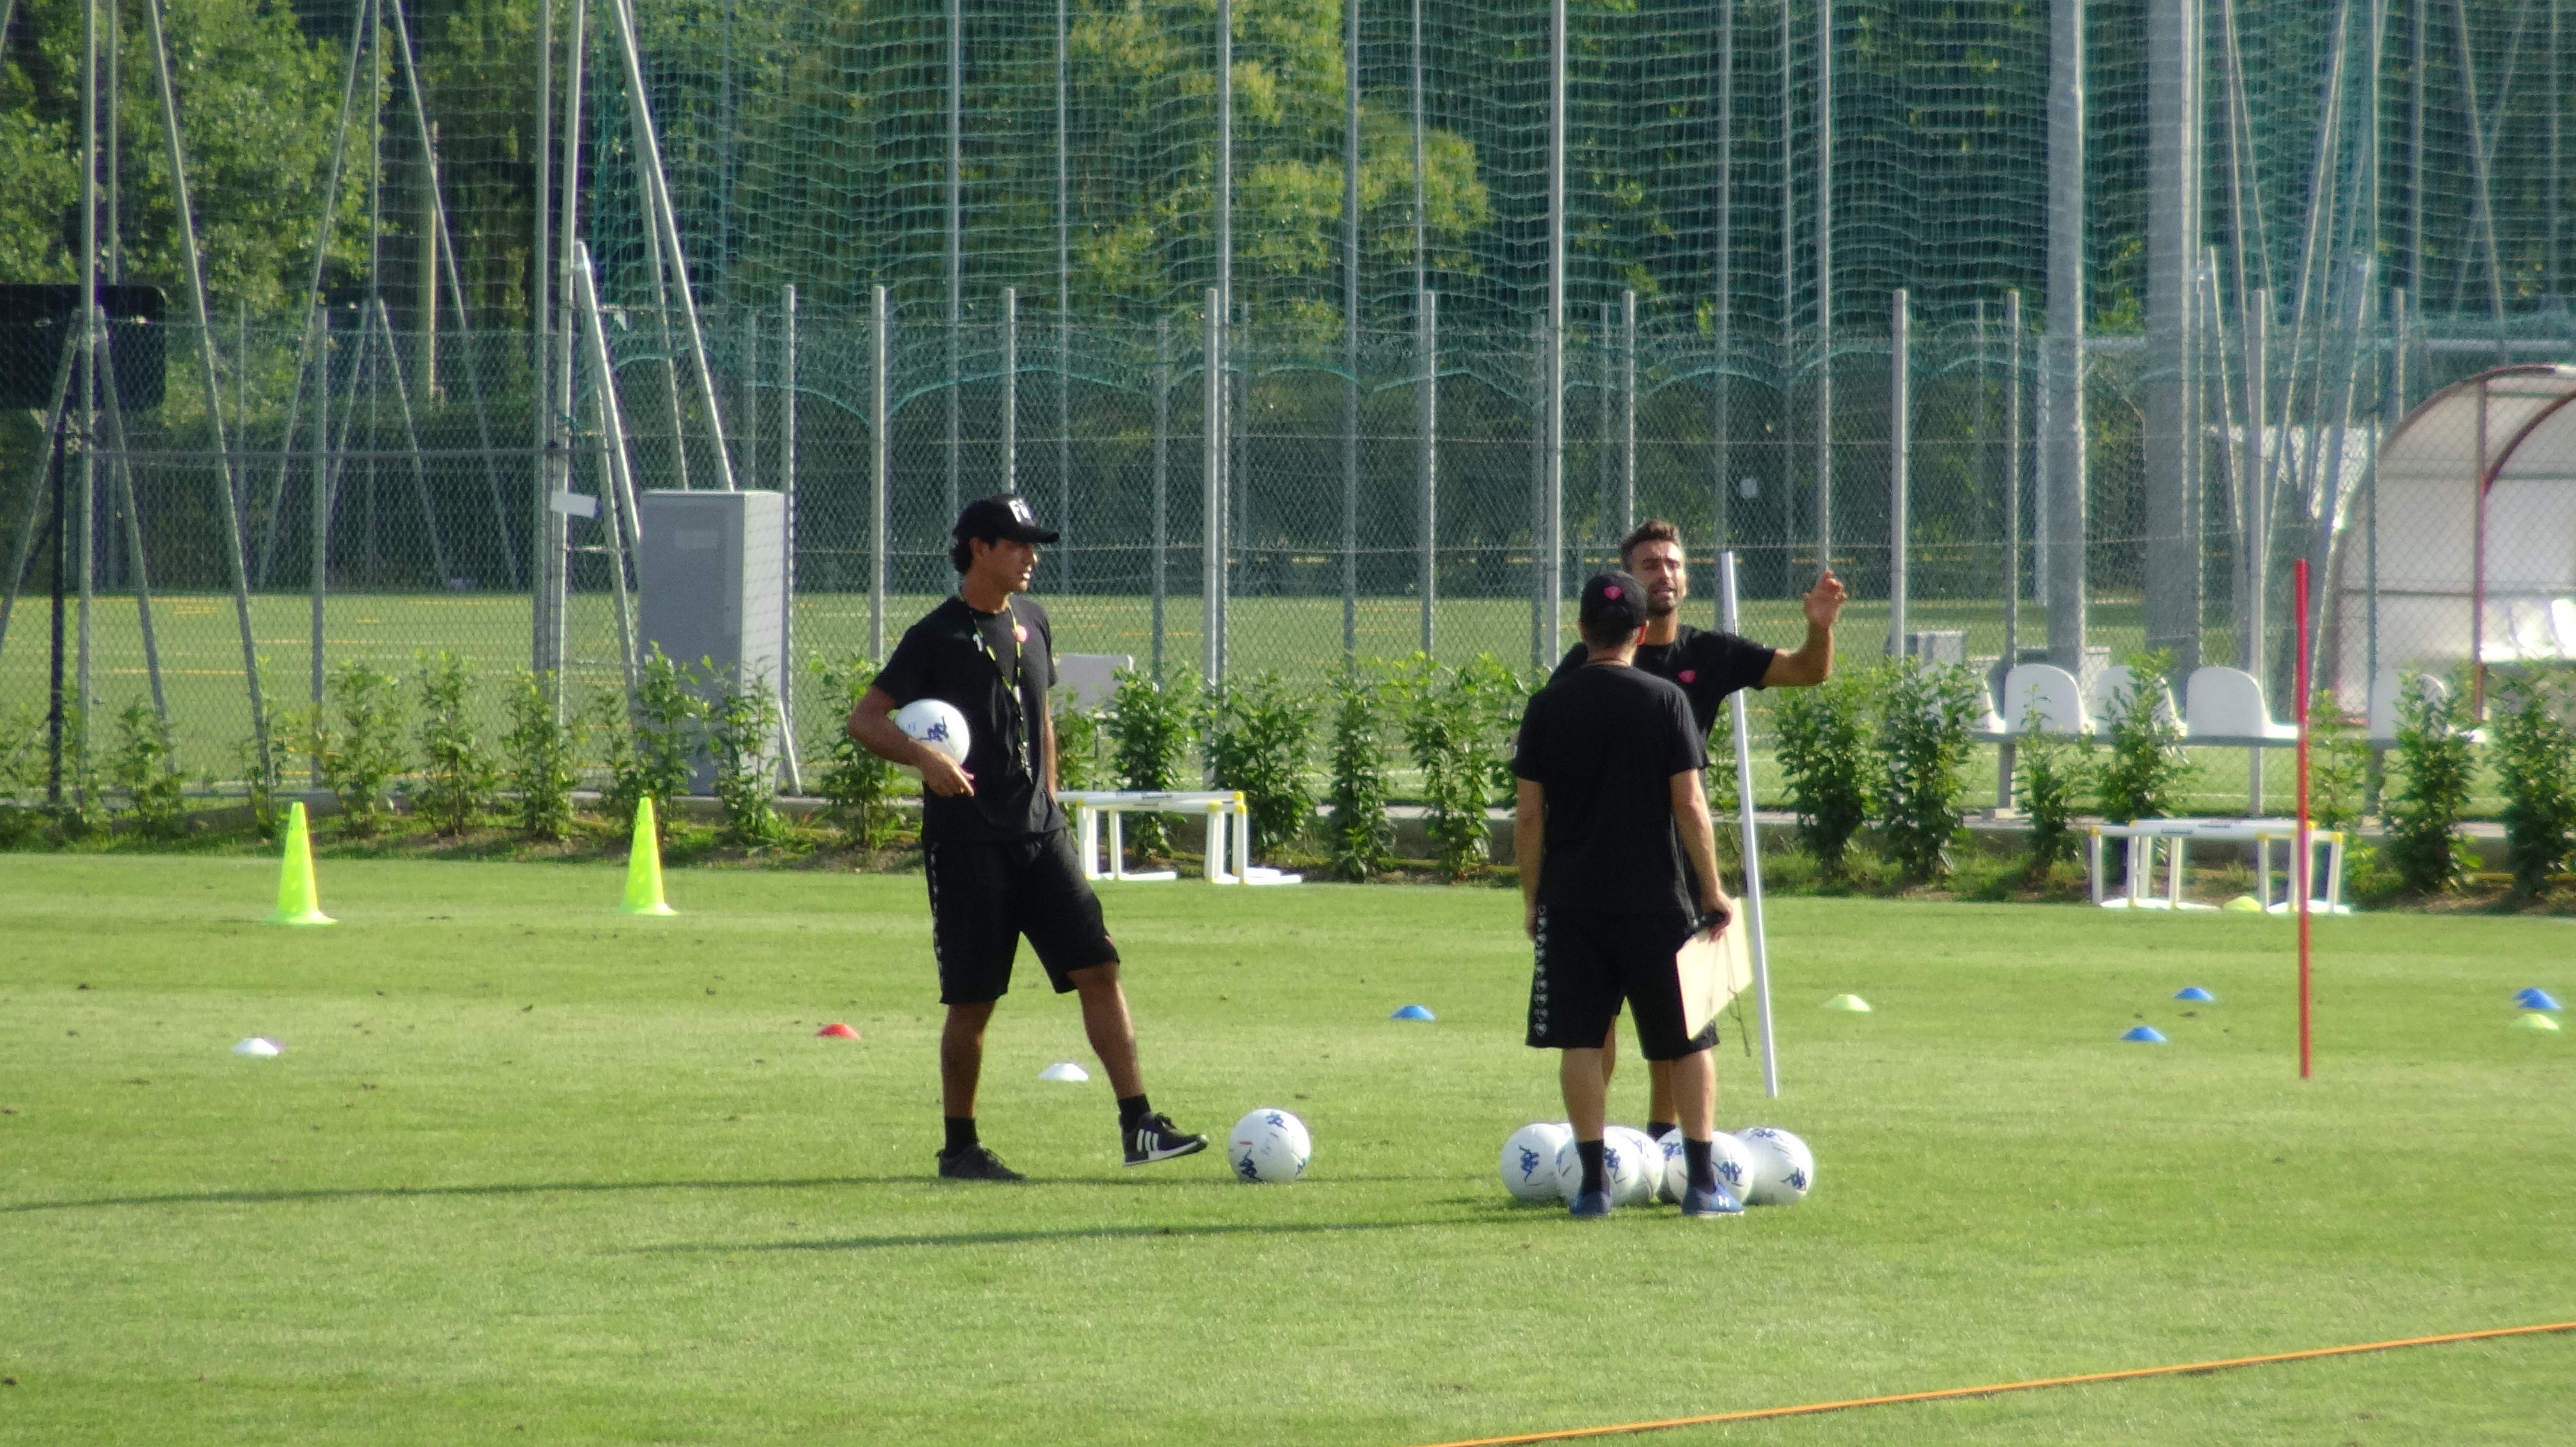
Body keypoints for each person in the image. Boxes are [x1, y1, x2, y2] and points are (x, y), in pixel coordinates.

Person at [848, 494, 1207, 1181]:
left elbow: (1040, 720)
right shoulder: (935, 636)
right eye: (1017, 544)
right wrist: (925, 759)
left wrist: (1051, 799)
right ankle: (960, 1148)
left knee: (1099, 968)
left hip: (1043, 838)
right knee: (974, 1000)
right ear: (979, 547)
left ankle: (1140, 1125)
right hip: (968, 845)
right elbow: (865, 720)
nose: (1031, 556)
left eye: (1033, 544)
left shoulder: (1034, 621)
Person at [1545, 520, 1847, 1142]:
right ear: (1626, 578)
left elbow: (1805, 672)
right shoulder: (1585, 662)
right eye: (1650, 563)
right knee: (1593, 1021)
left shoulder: (1708, 653)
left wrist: (1819, 627)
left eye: (1674, 563)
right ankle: (1591, 1148)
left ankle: (1662, 1136)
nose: (1665, 573)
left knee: (1679, 1021)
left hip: (1680, 860)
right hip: (1599, 865)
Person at [1513, 571, 1740, 1219]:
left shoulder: (1548, 703)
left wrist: (1534, 899)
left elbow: (1529, 816)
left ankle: (1592, 1187)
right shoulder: (1666, 699)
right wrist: (1713, 888)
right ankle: (1699, 1186)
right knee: (1689, 1040)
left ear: (1580, 629)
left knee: (1581, 1040)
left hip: (1573, 898)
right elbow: (1690, 803)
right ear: (1642, 632)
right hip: (1661, 900)